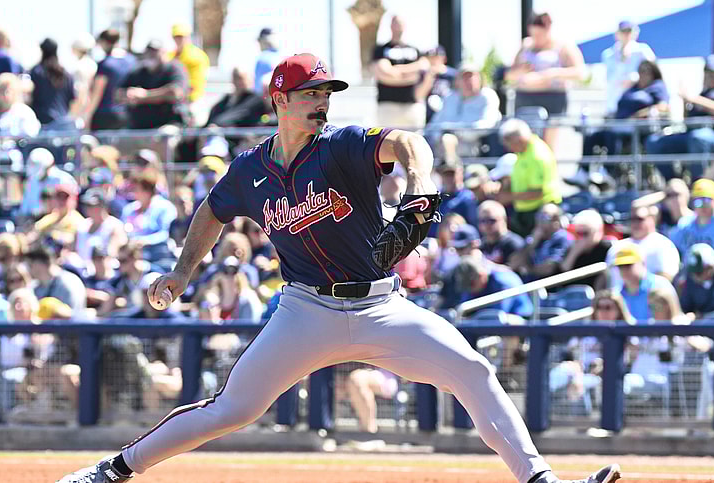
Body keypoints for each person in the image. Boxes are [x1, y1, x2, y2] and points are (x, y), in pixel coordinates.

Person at [57, 52, 619, 483]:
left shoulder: (342, 145)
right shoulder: (250, 169)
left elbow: (409, 142)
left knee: (471, 370)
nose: (322, 101)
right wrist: (183, 271)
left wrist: (419, 186)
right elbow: (212, 211)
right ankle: (112, 469)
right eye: (310, 93)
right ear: (280, 100)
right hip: (305, 311)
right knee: (232, 408)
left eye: (326, 92)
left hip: (382, 306)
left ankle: (540, 480)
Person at [646, 54, 714, 180]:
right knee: (654, 142)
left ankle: (698, 183)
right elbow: (687, 123)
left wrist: (695, 99)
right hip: (692, 135)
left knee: (699, 137)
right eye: (708, 72)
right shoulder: (703, 93)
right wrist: (684, 101)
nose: (711, 76)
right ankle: (675, 182)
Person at [505, 12, 587, 149]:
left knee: (548, 146)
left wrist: (552, 74)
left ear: (548, 29)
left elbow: (580, 72)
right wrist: (521, 71)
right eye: (533, 34)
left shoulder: (563, 46)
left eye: (540, 34)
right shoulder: (525, 45)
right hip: (525, 99)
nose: (536, 38)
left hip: (553, 100)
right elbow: (509, 75)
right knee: (522, 142)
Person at [583, 60, 669, 159]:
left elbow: (663, 106)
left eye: (646, 71)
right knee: (592, 137)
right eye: (640, 71)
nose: (643, 74)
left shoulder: (657, 86)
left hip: (638, 128)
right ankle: (584, 167)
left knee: (612, 136)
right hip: (618, 124)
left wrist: (639, 114)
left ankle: (610, 166)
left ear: (653, 73)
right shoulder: (633, 87)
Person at [496, 118, 562, 237]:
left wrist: (509, 197)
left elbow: (537, 192)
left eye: (510, 144)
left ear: (519, 140)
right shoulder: (524, 151)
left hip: (539, 211)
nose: (509, 149)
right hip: (526, 209)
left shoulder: (537, 156)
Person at [425, 61, 502, 155]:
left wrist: (457, 131)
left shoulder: (488, 96)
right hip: (442, 145)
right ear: (457, 81)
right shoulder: (450, 97)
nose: (469, 81)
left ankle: (449, 163)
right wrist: (441, 133)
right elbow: (435, 124)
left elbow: (487, 125)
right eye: (464, 77)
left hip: (475, 146)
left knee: (447, 140)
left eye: (472, 76)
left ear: (480, 78)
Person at [372, 15, 428, 128]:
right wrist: (411, 72)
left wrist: (397, 70)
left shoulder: (415, 50)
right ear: (390, 26)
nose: (398, 27)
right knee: (386, 138)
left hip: (411, 106)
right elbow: (384, 72)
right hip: (387, 106)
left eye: (400, 24)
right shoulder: (381, 50)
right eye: (395, 23)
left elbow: (423, 67)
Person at [605, 204, 679, 290]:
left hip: (651, 295)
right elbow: (607, 277)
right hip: (617, 296)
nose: (635, 223)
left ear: (652, 219)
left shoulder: (663, 244)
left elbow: (666, 278)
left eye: (639, 219)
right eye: (632, 219)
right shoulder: (617, 247)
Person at [119, 40, 189, 129]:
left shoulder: (174, 68)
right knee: (120, 135)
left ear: (163, 52)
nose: (151, 54)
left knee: (165, 134)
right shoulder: (138, 71)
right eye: (148, 51)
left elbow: (175, 93)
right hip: (138, 126)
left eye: (155, 51)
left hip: (169, 124)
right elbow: (118, 93)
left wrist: (145, 95)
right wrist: (129, 94)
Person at [669, 178, 714, 260]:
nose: (702, 206)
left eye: (707, 200)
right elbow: (671, 250)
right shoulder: (685, 224)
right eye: (698, 201)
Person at [448, 254, 533, 318]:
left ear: (482, 275)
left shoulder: (502, 281)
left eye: (471, 284)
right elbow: (465, 314)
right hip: (490, 323)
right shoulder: (473, 287)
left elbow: (498, 316)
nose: (469, 289)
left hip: (521, 321)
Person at [601, 21, 656, 118]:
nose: (626, 35)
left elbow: (653, 74)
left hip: (637, 105)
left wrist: (635, 79)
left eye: (629, 32)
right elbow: (610, 79)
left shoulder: (643, 51)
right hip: (614, 104)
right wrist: (623, 59)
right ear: (617, 34)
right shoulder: (608, 54)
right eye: (623, 32)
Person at [84, 29, 134, 131]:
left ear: (104, 42)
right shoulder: (132, 61)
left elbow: (97, 93)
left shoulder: (105, 64)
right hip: (127, 113)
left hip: (105, 114)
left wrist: (87, 116)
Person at [612, 244, 676, 322]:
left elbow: (675, 316)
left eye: (628, 265)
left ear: (642, 263)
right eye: (620, 266)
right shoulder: (616, 293)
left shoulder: (661, 285)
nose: (624, 270)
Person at [510, 204, 572, 282]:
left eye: (544, 217)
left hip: (550, 285)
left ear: (556, 221)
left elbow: (549, 268)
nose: (539, 221)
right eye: (538, 216)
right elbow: (513, 264)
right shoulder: (534, 238)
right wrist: (531, 244)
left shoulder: (562, 237)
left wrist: (529, 270)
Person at [120, 168, 177, 249]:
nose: (133, 193)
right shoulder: (129, 209)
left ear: (147, 191)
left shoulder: (165, 207)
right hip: (131, 252)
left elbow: (166, 233)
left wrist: (145, 241)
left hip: (157, 252)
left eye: (136, 189)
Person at [24, 247, 86, 319]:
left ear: (41, 264)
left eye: (30, 265)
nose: (28, 269)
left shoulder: (68, 283)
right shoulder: (36, 286)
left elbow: (69, 317)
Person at [29, 38, 77, 130]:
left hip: (42, 123)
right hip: (63, 123)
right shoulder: (66, 74)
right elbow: (73, 99)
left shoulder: (36, 72)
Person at [0, 73, 41, 137]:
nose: (5, 94)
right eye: (1, 90)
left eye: (9, 91)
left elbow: (30, 135)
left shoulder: (24, 112)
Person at [17, 147, 77, 219]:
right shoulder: (32, 181)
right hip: (33, 220)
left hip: (57, 220)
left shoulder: (64, 179)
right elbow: (24, 209)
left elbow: (70, 207)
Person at [559, 209, 613, 288]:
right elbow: (562, 273)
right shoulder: (573, 247)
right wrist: (574, 253)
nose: (581, 238)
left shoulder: (608, 249)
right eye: (578, 233)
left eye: (585, 233)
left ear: (599, 231)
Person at [75, 187, 127, 262]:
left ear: (103, 205)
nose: (88, 208)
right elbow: (71, 248)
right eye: (87, 205)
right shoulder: (82, 225)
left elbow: (114, 253)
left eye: (92, 205)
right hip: (80, 267)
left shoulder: (115, 225)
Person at [428, 160, 477, 237]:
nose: (449, 178)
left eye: (452, 174)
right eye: (446, 174)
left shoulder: (467, 198)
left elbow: (473, 226)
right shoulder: (435, 198)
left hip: (459, 241)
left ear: (460, 174)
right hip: (436, 241)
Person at [345, 366, 399, 433]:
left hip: (387, 375)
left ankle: (369, 428)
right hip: (350, 372)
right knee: (341, 383)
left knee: (357, 379)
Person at [167, 23, 209, 108]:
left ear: (188, 37)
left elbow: (195, 83)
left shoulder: (196, 56)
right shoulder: (170, 55)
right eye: (176, 37)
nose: (179, 39)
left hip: (192, 100)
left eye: (181, 36)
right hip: (176, 100)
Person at [414, 45, 458, 124]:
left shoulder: (453, 75)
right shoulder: (423, 75)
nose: (434, 61)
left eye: (437, 57)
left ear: (444, 58)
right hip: (429, 118)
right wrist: (430, 76)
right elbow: (419, 96)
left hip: (449, 116)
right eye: (431, 58)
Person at [477, 200, 524, 266]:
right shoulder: (480, 246)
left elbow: (514, 269)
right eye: (483, 221)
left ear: (504, 220)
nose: (486, 225)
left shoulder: (514, 244)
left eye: (491, 220)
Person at [69, 33, 97, 123]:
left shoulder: (79, 67)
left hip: (83, 110)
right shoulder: (93, 64)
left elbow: (81, 93)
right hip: (93, 107)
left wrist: (73, 115)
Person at [254, 28, 280, 95]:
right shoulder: (285, 57)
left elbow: (258, 89)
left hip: (267, 98)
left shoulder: (262, 59)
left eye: (259, 41)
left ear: (263, 40)